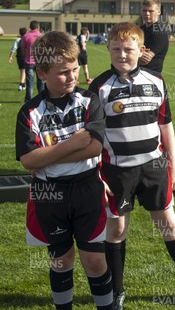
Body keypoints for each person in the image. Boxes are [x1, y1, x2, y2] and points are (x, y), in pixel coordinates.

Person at [89, 23, 175, 310]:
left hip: (155, 166)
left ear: (141, 51)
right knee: (117, 228)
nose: (122, 54)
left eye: (128, 49)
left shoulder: (156, 81)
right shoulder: (99, 87)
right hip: (117, 170)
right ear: (108, 49)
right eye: (116, 49)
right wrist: (96, 172)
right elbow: (92, 136)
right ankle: (117, 292)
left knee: (168, 223)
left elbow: (166, 125)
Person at [16, 31, 113, 310]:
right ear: (42, 73)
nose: (72, 77)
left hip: (87, 189)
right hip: (50, 193)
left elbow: (94, 148)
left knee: (95, 261)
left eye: (73, 69)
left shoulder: (89, 101)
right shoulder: (29, 112)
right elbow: (28, 161)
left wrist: (45, 156)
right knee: (61, 260)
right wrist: (73, 142)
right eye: (63, 72)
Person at [140, 0, 170, 73]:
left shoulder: (159, 32)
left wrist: (133, 52)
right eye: (144, 10)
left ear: (158, 12)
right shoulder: (141, 29)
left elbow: (144, 60)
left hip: (150, 76)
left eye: (151, 11)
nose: (147, 13)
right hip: (137, 74)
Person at [20, 20, 45, 102]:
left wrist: (25, 56)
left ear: (30, 27)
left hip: (29, 61)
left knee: (29, 82)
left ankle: (28, 99)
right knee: (41, 81)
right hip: (39, 61)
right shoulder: (41, 36)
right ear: (38, 27)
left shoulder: (26, 36)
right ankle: (42, 98)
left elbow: (23, 50)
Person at [8, 26, 27, 91]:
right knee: (24, 71)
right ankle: (21, 84)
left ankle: (23, 85)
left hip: (19, 56)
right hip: (26, 56)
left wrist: (10, 56)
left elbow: (14, 48)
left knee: (22, 70)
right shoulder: (27, 39)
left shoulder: (18, 40)